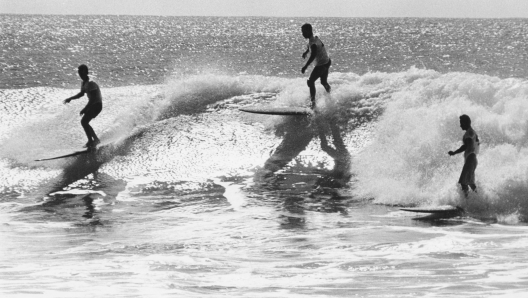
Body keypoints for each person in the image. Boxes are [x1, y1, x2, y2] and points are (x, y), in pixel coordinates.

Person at [64, 64, 102, 148]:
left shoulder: (90, 83)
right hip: (93, 105)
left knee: (84, 122)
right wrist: (70, 98)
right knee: (85, 122)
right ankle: (94, 140)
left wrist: (85, 109)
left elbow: (93, 99)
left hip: (96, 105)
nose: (80, 75)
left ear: (86, 72)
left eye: (81, 73)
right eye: (79, 73)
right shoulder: (84, 82)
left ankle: (92, 141)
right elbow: (81, 94)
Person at [301, 23, 331, 109]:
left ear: (308, 31)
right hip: (327, 61)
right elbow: (311, 46)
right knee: (323, 82)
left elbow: (313, 55)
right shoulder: (315, 38)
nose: (302, 34)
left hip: (322, 64)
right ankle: (330, 97)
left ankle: (313, 104)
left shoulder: (313, 43)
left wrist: (305, 66)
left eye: (303, 32)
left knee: (310, 82)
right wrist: (306, 52)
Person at [448, 114, 480, 197]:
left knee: (463, 182)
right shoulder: (473, 132)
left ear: (466, 123)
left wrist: (454, 152)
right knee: (470, 182)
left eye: (461, 123)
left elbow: (466, 146)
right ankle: (478, 199)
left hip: (470, 159)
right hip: (472, 159)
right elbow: (477, 143)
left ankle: (466, 201)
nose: (460, 125)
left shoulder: (469, 133)